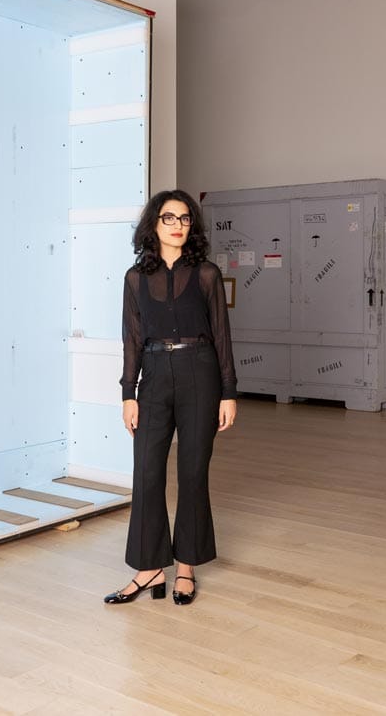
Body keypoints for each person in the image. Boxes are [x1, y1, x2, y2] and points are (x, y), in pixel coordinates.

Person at [104, 189, 237, 607]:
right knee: (146, 473)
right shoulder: (135, 278)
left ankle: (186, 568)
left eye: (184, 219)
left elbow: (221, 337)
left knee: (193, 472)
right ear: (154, 225)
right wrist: (129, 393)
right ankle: (148, 569)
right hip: (155, 376)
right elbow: (131, 338)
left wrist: (229, 393)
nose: (178, 225)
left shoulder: (207, 274)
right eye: (169, 218)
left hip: (201, 373)